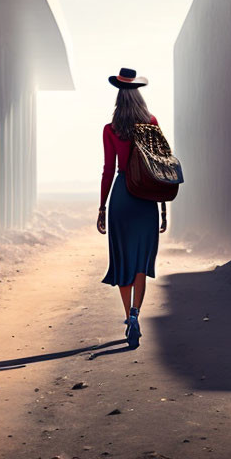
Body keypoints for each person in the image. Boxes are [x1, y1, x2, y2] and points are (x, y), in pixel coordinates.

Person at [98, 67, 167, 349]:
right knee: (140, 261)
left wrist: (102, 207)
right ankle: (137, 312)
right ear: (138, 94)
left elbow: (108, 169)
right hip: (146, 198)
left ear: (119, 96)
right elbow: (160, 167)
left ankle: (129, 317)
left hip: (122, 197)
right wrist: (163, 208)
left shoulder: (110, 129)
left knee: (123, 259)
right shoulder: (150, 122)